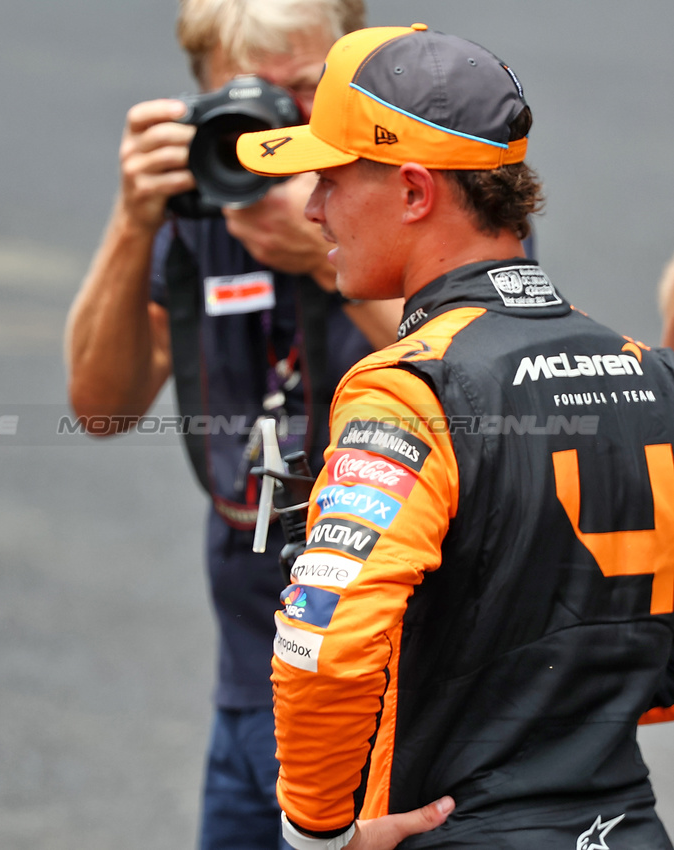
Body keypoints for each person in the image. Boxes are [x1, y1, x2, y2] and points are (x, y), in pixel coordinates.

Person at [234, 23, 674, 849]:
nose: (314, 207)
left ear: (412, 191)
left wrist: (318, 832)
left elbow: (324, 644)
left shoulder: (407, 389)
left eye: (329, 177)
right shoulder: (647, 371)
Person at [64, 2, 398, 846]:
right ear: (204, 99)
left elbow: (484, 387)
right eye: (252, 97)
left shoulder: (415, 184)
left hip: (385, 679)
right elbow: (100, 407)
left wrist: (330, 261)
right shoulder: (203, 202)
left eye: (304, 91)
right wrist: (134, 218)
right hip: (253, 669)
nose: (280, 122)